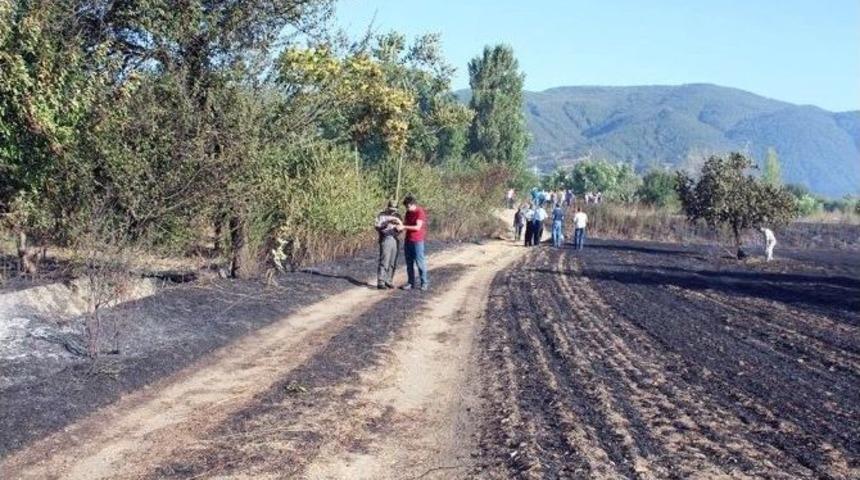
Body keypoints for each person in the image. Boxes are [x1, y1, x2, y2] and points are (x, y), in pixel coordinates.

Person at [397, 195, 428, 291]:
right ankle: (411, 283)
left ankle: (424, 283)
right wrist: (399, 226)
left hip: (417, 241)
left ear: (412, 204)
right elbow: (405, 224)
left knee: (420, 263)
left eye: (407, 206)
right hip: (408, 240)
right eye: (406, 207)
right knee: (409, 263)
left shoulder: (420, 212)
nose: (407, 208)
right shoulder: (408, 212)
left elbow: (417, 227)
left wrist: (404, 227)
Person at [374, 202, 402, 289]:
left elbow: (401, 227)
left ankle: (388, 280)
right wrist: (387, 222)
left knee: (392, 261)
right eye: (391, 209)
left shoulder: (398, 216)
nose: (392, 211)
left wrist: (398, 227)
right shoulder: (381, 215)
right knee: (384, 260)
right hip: (386, 238)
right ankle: (381, 281)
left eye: (394, 209)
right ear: (388, 207)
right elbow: (377, 227)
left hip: (395, 238)